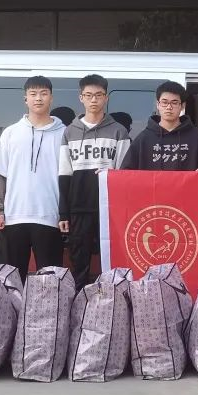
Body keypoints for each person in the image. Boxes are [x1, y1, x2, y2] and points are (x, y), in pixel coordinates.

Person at [0, 75, 66, 282]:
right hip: (14, 216)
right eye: (33, 94)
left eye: (43, 93)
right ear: (25, 99)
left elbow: (68, 178)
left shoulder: (64, 134)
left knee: (50, 281)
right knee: (10, 280)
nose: (38, 98)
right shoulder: (11, 133)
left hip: (50, 217)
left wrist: (65, 213)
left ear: (51, 98)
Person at [58, 74, 130, 289]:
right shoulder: (69, 132)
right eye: (88, 95)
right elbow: (64, 174)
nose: (94, 100)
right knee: (79, 259)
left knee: (112, 256)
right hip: (79, 206)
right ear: (81, 98)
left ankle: (113, 298)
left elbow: (125, 173)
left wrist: (111, 174)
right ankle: (79, 298)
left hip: (110, 208)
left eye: (98, 95)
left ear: (106, 98)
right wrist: (64, 213)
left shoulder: (119, 131)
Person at [121, 81, 198, 171]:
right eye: (164, 102)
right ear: (158, 105)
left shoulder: (197, 137)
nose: (169, 107)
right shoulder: (143, 139)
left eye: (174, 103)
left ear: (182, 106)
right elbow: (126, 173)